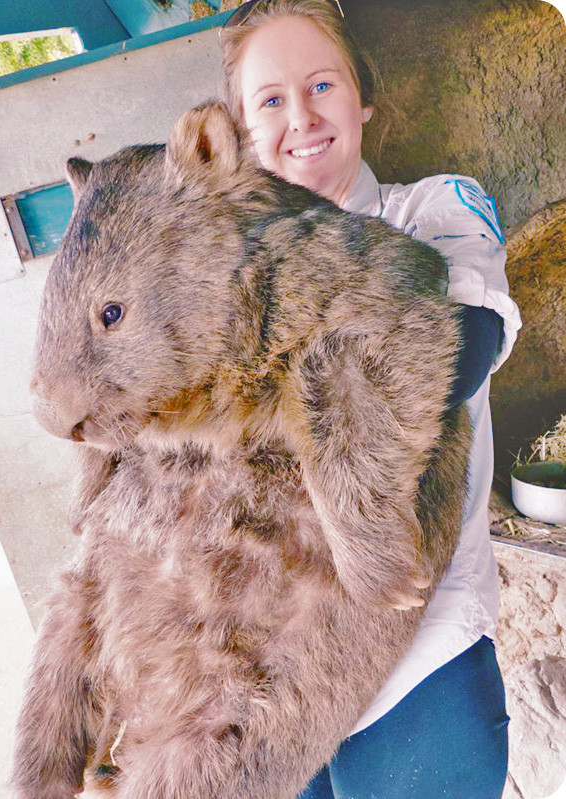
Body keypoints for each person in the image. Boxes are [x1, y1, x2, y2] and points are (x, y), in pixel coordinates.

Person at [219, 1, 522, 797]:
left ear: (363, 99)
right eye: (271, 100)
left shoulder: (434, 211)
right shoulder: (224, 278)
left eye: (322, 84)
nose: (302, 116)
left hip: (418, 668)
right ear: (239, 134)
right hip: (276, 685)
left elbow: (454, 356)